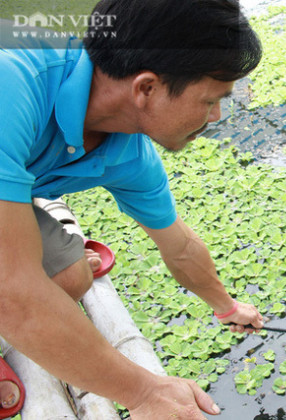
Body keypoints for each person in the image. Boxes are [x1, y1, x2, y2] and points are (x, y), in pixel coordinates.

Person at [0, 0, 264, 418]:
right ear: (146, 88)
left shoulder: (129, 153)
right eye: (211, 100)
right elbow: (12, 291)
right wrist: (143, 393)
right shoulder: (11, 79)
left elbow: (178, 247)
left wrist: (227, 307)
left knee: (70, 276)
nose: (216, 116)